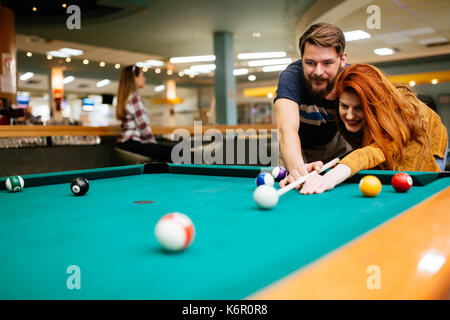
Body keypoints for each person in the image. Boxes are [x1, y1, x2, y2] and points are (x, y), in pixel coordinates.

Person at [299, 64, 449, 194]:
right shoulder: (346, 114)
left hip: (426, 140)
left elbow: (377, 151)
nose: (350, 116)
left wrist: (333, 177)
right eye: (345, 106)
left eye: (359, 108)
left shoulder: (400, 113)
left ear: (373, 105)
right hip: (388, 143)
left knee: (409, 188)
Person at [275, 23, 352, 188]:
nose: (318, 71)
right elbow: (287, 129)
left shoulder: (353, 80)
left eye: (327, 63)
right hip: (298, 148)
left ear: (342, 59)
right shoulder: (291, 77)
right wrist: (297, 169)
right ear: (301, 58)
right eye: (310, 63)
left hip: (337, 144)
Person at [116, 65, 174, 162]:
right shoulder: (134, 98)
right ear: (134, 78)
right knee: (175, 152)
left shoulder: (126, 97)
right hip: (133, 143)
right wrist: (154, 144)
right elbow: (143, 127)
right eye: (142, 76)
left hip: (126, 143)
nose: (144, 78)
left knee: (165, 149)